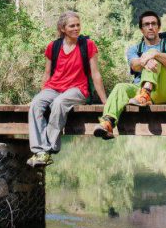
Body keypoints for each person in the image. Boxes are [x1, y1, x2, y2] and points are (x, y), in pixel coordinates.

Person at [27, 11, 108, 167]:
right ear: (63, 28)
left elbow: (96, 74)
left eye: (78, 25)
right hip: (54, 86)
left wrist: (105, 102)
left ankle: (48, 149)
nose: (76, 28)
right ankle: (39, 151)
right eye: (72, 26)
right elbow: (47, 73)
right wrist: (42, 94)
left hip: (77, 89)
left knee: (59, 103)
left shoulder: (88, 45)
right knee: (36, 104)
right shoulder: (53, 46)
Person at [94, 10, 166, 139]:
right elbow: (134, 65)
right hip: (139, 91)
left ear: (159, 27)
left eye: (154, 24)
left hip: (164, 90)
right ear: (141, 29)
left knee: (154, 57)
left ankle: (145, 94)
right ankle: (108, 123)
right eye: (146, 24)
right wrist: (144, 60)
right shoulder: (134, 49)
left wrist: (154, 54)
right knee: (120, 87)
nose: (150, 27)